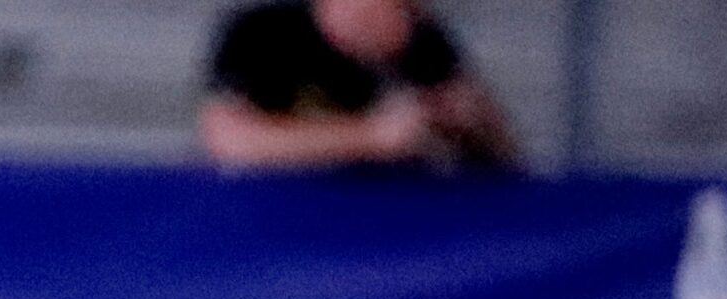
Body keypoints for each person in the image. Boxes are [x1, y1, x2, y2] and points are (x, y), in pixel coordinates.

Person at [202, 0, 519, 172]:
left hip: (391, 242)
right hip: (284, 236)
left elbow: (506, 159)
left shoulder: (421, 41)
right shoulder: (264, 34)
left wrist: (468, 122)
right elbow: (230, 142)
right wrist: (372, 136)